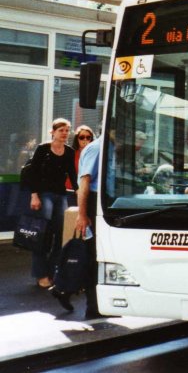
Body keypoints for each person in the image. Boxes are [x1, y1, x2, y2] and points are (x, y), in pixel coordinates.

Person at [55, 133, 103, 318]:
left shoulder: (107, 148)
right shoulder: (96, 148)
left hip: (99, 202)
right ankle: (91, 305)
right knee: (91, 255)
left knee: (92, 255)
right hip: (93, 202)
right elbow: (84, 183)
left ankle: (65, 290)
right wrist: (82, 214)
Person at [28, 118, 78, 289]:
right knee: (43, 234)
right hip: (44, 194)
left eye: (67, 130)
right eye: (61, 130)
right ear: (53, 132)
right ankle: (41, 274)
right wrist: (34, 195)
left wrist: (79, 191)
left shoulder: (70, 151)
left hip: (60, 196)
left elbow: (72, 174)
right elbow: (32, 173)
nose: (65, 133)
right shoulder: (43, 149)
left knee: (60, 235)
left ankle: (52, 273)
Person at [66, 125, 95, 204]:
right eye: (82, 137)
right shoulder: (71, 153)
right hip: (71, 191)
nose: (85, 140)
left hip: (88, 192)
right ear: (77, 139)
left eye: (88, 137)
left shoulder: (94, 154)